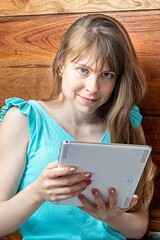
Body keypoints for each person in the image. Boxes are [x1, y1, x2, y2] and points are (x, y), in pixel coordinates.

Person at [0, 13, 156, 240]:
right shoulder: (24, 119)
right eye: (83, 70)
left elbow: (139, 227)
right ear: (62, 64)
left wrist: (112, 216)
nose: (93, 87)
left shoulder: (127, 123)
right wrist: (37, 193)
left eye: (106, 74)